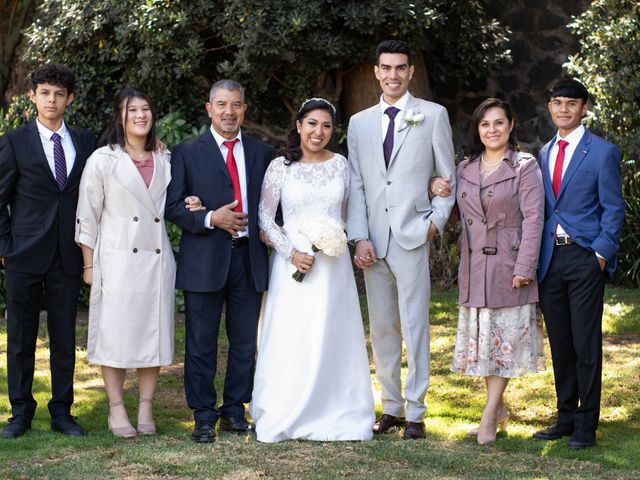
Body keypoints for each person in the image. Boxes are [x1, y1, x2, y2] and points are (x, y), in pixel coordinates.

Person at [75, 87, 202, 437]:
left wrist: (190, 200)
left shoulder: (165, 158)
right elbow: (87, 215)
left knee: (153, 335)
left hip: (156, 259)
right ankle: (116, 409)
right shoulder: (103, 159)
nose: (141, 116)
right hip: (116, 257)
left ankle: (145, 409)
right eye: (133, 111)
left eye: (146, 109)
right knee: (115, 337)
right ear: (121, 117)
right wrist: (89, 265)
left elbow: (173, 202)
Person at [347, 39, 456, 439]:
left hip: (413, 234)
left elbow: (448, 176)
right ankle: (390, 406)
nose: (393, 75)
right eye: (386, 68)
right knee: (383, 328)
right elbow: (357, 185)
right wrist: (358, 237)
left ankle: (416, 411)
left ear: (410, 72)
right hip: (373, 243)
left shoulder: (432, 115)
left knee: (415, 326)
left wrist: (435, 223)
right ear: (376, 72)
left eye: (400, 68)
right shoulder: (358, 122)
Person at [251, 98, 375, 442]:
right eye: (312, 124)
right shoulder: (280, 167)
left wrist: (340, 239)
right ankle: (286, 407)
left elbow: (347, 215)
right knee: (293, 334)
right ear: (299, 125)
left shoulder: (341, 165)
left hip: (332, 268)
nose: (318, 132)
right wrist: (291, 253)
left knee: (333, 334)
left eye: (326, 126)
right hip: (292, 265)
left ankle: (336, 407)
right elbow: (264, 214)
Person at [165, 79, 275, 443]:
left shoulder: (262, 153)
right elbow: (174, 206)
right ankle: (203, 414)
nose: (230, 112)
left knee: (244, 342)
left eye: (237, 105)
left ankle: (234, 410)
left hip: (248, 259)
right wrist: (211, 217)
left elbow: (273, 205)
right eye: (222, 105)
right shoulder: (186, 152)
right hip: (204, 260)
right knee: (201, 341)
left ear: (245, 109)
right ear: (209, 108)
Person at [432, 98, 545, 445]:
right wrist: (435, 187)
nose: (492, 130)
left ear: (511, 125)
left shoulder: (525, 166)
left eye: (499, 123)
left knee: (504, 344)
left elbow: (534, 218)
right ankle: (498, 410)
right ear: (477, 130)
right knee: (486, 345)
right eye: (485, 124)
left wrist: (525, 265)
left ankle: (487, 416)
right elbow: (454, 212)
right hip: (475, 266)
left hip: (509, 266)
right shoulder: (465, 168)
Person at [0, 64, 95, 438]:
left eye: (58, 93)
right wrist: (5, 246)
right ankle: (20, 413)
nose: (51, 100)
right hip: (23, 255)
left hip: (66, 255)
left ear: (69, 98)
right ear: (33, 97)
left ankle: (62, 412)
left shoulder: (85, 142)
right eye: (44, 93)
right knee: (20, 338)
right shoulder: (14, 142)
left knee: (63, 338)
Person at [532, 78, 624, 449]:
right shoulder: (543, 153)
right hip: (550, 259)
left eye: (572, 103)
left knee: (586, 343)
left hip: (585, 257)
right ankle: (566, 416)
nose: (564, 109)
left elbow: (613, 209)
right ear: (550, 107)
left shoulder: (602, 152)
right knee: (561, 342)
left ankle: (588, 423)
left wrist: (600, 254)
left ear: (583, 107)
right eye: (557, 103)